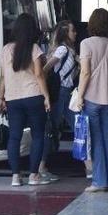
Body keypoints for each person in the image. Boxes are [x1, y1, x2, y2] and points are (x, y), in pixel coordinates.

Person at [71, 9, 108, 193]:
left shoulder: (86, 44)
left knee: (97, 140)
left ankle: (99, 181)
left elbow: (85, 72)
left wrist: (79, 97)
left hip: (92, 98)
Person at [0, 13, 52, 187]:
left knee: (14, 136)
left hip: (12, 98)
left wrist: (1, 98)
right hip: (33, 96)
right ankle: (33, 175)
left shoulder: (6, 49)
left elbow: (3, 77)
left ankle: (15, 176)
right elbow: (39, 74)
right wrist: (46, 96)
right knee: (38, 135)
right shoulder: (34, 49)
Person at [41, 20, 81, 179]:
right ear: (66, 34)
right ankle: (41, 166)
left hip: (65, 92)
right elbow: (47, 67)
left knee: (74, 125)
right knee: (51, 129)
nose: (75, 33)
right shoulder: (63, 50)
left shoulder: (69, 51)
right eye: (73, 31)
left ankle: (88, 162)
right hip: (61, 92)